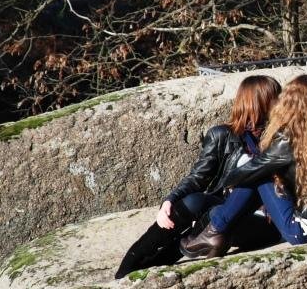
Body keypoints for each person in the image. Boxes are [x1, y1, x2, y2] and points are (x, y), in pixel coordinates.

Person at [114, 75, 282, 278]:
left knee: (217, 214)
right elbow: (198, 177)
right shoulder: (223, 135)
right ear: (258, 101)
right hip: (221, 211)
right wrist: (169, 200)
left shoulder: (281, 138)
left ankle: (155, 266)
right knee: (192, 202)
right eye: (275, 97)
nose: (280, 102)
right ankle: (129, 267)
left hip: (261, 220)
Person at [180, 74, 307, 257]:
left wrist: (228, 179)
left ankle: (214, 230)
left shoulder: (288, 138)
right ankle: (216, 233)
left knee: (260, 176)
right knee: (262, 174)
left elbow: (249, 172)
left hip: (306, 234)